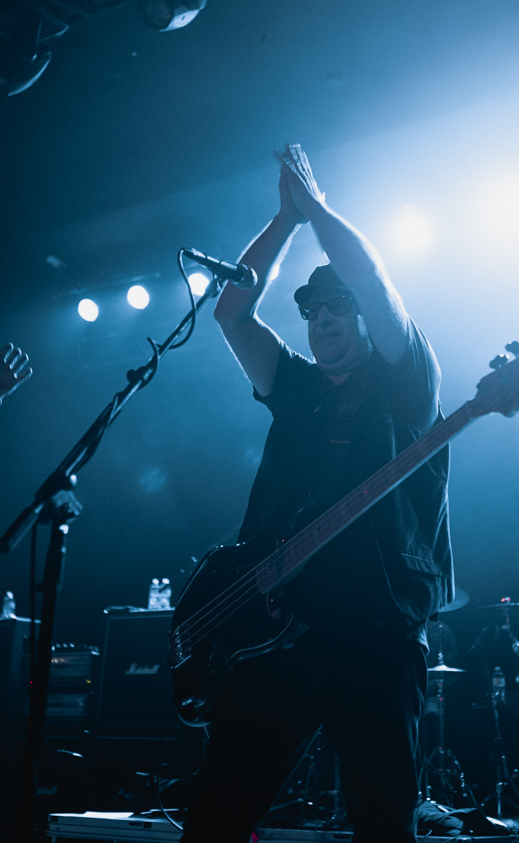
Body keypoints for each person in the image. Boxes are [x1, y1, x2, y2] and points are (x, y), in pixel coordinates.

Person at [182, 144, 453, 843]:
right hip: (276, 634)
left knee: (380, 824)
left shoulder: (404, 382)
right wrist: (284, 221)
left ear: (366, 316)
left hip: (373, 632)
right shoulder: (297, 388)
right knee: (214, 820)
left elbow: (371, 274)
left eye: (338, 307)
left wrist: (318, 209)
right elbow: (232, 316)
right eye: (312, 310)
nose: (323, 318)